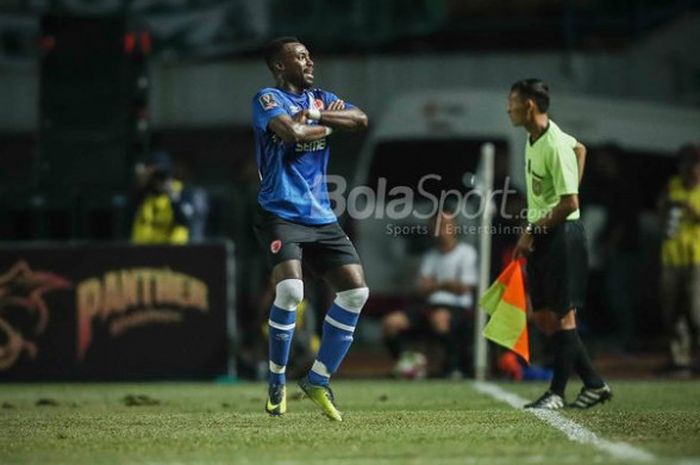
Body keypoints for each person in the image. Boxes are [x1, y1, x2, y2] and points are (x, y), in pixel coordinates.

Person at [251, 37, 369, 421]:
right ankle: (276, 381)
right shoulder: (267, 99)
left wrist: (317, 118)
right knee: (290, 290)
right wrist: (320, 125)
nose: (309, 61)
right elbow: (290, 133)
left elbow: (361, 120)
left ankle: (317, 380)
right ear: (280, 66)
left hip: (321, 216)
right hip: (280, 213)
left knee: (355, 293)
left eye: (309, 55)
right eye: (299, 57)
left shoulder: (320, 99)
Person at [509, 78, 612, 409]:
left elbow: (569, 203)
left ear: (529, 106)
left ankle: (555, 393)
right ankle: (594, 383)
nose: (507, 108)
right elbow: (581, 148)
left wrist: (529, 231)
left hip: (562, 236)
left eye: (512, 102)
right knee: (543, 317)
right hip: (543, 233)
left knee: (564, 317)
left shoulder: (553, 144)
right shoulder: (533, 138)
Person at [383, 212, 478, 378]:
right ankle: (405, 365)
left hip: (457, 307)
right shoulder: (430, 256)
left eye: (443, 225)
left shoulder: (466, 253)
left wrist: (435, 285)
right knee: (391, 322)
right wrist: (445, 284)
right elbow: (421, 288)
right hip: (428, 305)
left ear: (454, 227)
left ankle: (453, 367)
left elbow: (464, 288)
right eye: (435, 226)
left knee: (439, 319)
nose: (439, 230)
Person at [659, 144, 700, 376]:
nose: (688, 172)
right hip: (671, 257)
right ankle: (679, 360)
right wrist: (667, 208)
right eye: (684, 166)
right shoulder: (672, 186)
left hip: (697, 258)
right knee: (672, 310)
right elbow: (660, 211)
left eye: (693, 166)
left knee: (696, 312)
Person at [130, 151, 194, 244]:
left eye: (164, 174)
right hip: (143, 251)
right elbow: (128, 211)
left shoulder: (180, 191)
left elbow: (185, 221)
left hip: (172, 252)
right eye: (156, 175)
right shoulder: (144, 191)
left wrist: (173, 197)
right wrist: (141, 181)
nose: (160, 178)